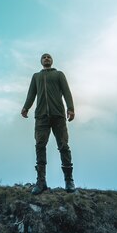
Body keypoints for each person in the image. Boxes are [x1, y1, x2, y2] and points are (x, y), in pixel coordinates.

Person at [21, 53, 76, 194]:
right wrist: (26, 107)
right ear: (41, 61)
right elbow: (31, 94)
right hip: (41, 117)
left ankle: (69, 181)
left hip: (58, 115)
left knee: (63, 146)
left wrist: (70, 108)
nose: (46, 58)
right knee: (40, 146)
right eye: (44, 57)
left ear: (52, 61)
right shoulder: (36, 76)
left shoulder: (59, 74)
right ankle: (41, 181)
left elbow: (66, 92)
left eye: (49, 57)